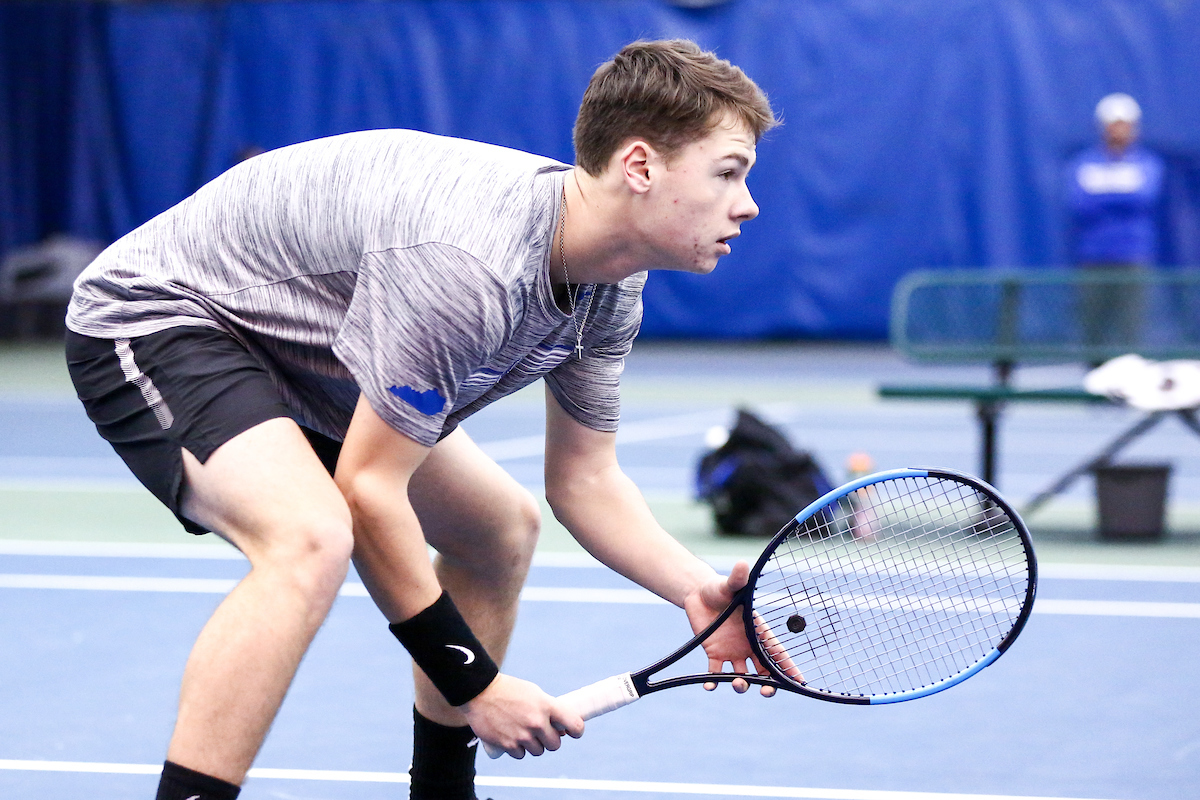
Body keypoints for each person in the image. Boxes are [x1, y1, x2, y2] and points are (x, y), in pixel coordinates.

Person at [64, 39, 778, 800]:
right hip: (168, 315)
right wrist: (473, 683)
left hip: (322, 353)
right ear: (639, 167)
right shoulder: (471, 266)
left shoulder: (611, 285)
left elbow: (586, 479)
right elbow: (370, 491)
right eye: (728, 172)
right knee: (310, 538)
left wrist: (695, 592)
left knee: (499, 528)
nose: (748, 203)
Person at [1065, 92, 1165, 358]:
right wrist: (1123, 195)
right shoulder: (1083, 163)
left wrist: (1103, 194)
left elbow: (1144, 197)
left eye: (1125, 123)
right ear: (1103, 126)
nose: (1119, 129)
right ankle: (1093, 380)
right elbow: (1079, 203)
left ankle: (1131, 385)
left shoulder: (1148, 163)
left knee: (1131, 327)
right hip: (1093, 257)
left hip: (1134, 256)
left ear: (1134, 127)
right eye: (1113, 123)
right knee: (1092, 326)